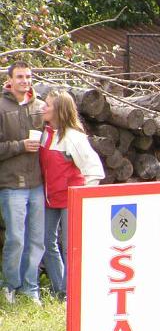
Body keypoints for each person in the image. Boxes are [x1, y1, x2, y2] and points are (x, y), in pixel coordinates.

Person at [39, 91, 105, 299]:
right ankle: (59, 288)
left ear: (59, 110)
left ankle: (70, 292)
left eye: (48, 105)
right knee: (46, 242)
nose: (43, 108)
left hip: (71, 200)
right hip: (50, 198)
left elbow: (94, 170)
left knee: (70, 246)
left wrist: (82, 197)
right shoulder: (44, 134)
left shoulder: (74, 138)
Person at [0, 60, 46, 306]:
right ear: (10, 80)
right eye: (20, 77)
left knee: (36, 240)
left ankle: (31, 288)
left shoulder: (40, 106)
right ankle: (9, 286)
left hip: (36, 183)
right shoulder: (1, 106)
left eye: (28, 76)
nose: (25, 81)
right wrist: (20, 146)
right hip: (11, 185)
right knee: (16, 239)